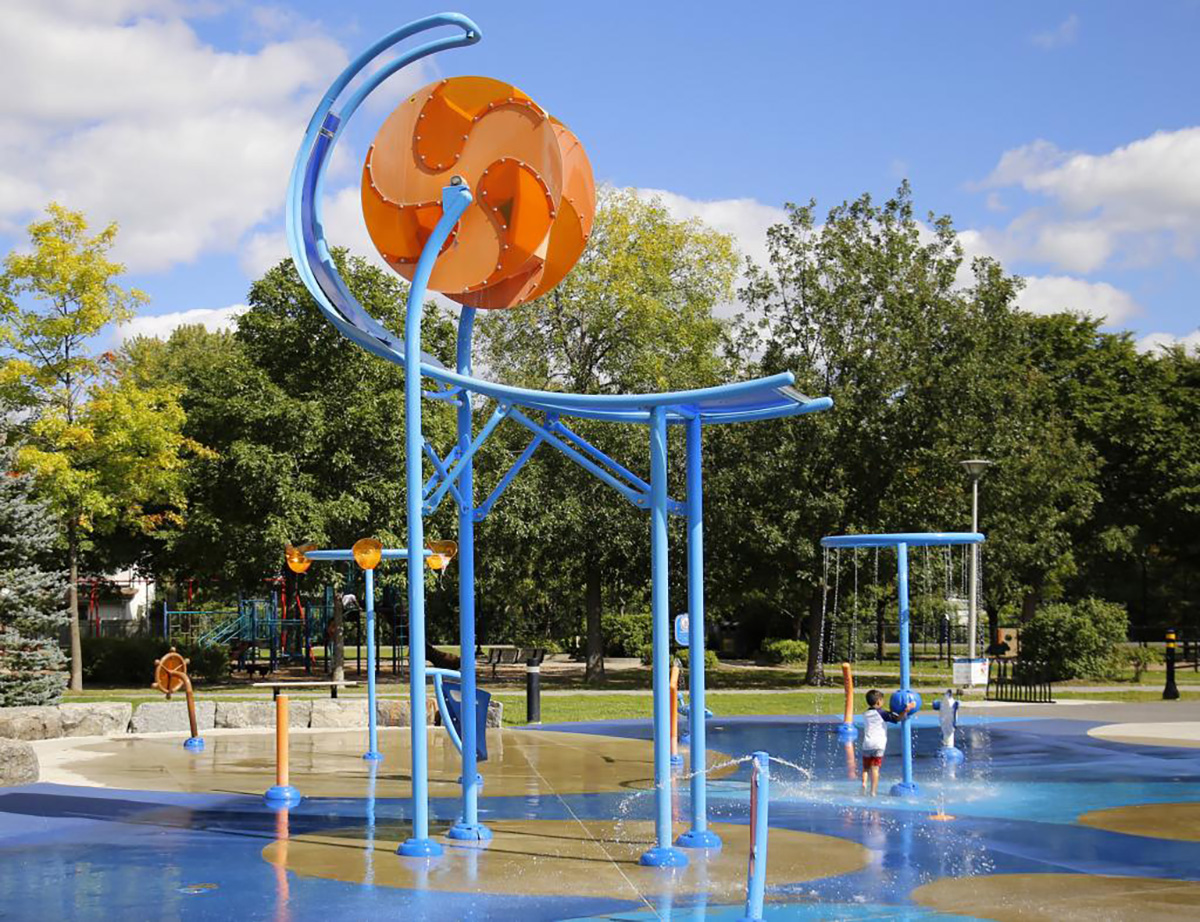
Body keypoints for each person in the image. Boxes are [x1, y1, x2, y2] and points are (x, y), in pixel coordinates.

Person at [860, 689, 914, 796]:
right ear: (879, 702)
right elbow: (897, 718)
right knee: (875, 769)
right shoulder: (882, 713)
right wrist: (906, 710)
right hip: (878, 745)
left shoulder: (865, 713)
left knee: (866, 768)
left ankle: (864, 783)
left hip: (867, 744)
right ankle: (873, 792)